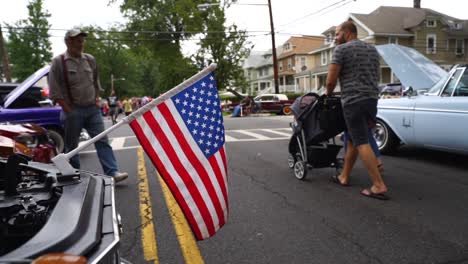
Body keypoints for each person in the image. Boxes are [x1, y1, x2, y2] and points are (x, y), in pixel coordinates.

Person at [49, 27, 128, 183]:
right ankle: (75, 175)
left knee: (102, 140)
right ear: (67, 42)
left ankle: (112, 172)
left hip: (92, 109)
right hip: (73, 110)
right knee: (72, 147)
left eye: (82, 40)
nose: (80, 43)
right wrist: (67, 109)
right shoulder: (59, 62)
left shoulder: (90, 59)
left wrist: (97, 98)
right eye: (77, 40)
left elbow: (95, 82)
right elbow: (55, 90)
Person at [325, 21, 389, 200]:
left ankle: (378, 185)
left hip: (353, 101)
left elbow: (331, 80)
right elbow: (375, 75)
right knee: (353, 138)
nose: (336, 38)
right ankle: (344, 176)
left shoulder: (341, 50)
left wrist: (327, 94)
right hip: (371, 100)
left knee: (361, 141)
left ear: (347, 33)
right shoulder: (372, 50)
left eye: (337, 34)